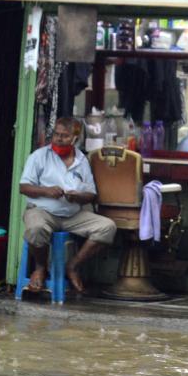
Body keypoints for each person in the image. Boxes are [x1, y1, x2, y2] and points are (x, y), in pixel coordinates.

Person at [19, 116, 116, 293]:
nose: (58, 138)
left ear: (74, 138)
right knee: (36, 229)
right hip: (42, 211)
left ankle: (72, 266)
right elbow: (23, 187)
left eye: (64, 135)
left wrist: (78, 197)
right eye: (56, 134)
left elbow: (91, 194)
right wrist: (46, 191)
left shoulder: (82, 161)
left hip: (72, 215)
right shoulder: (39, 156)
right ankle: (40, 268)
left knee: (107, 227)